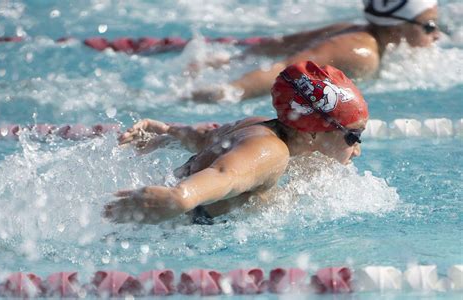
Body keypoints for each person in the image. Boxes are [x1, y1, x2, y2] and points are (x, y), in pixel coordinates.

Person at [103, 61, 369, 225]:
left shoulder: (259, 127)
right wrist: (180, 198)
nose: (357, 150)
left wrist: (167, 132)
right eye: (352, 137)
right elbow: (225, 175)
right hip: (158, 222)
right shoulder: (270, 152)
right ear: (312, 132)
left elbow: (206, 138)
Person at [190, 0, 440, 102]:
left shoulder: (351, 29)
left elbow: (279, 43)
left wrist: (227, 61)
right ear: (396, 27)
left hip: (241, 67)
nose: (437, 35)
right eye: (429, 26)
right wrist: (228, 92)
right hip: (251, 82)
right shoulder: (361, 53)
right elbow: (289, 70)